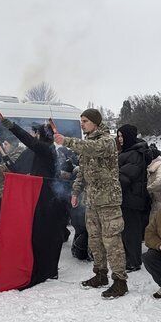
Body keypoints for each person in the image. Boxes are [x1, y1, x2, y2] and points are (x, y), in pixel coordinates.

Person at [55, 109, 128, 299]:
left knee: (112, 241)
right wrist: (75, 192)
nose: (82, 124)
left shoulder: (106, 141)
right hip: (92, 201)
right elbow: (83, 172)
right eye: (81, 121)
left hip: (108, 201)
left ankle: (120, 281)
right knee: (95, 241)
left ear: (95, 122)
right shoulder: (87, 141)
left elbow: (92, 148)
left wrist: (67, 141)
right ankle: (100, 274)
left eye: (85, 121)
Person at [0, 119, 67, 286]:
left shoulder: (45, 148)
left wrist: (13, 127)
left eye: (37, 133)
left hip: (48, 200)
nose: (34, 135)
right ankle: (45, 268)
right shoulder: (44, 150)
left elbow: (29, 141)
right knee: (42, 235)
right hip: (45, 197)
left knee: (45, 236)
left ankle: (46, 270)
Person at [116, 124, 149, 272]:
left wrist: (110, 177)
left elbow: (125, 178)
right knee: (127, 230)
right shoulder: (128, 151)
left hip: (132, 198)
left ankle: (134, 262)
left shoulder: (135, 154)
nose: (120, 139)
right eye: (118, 136)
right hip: (127, 197)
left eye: (122, 136)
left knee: (131, 232)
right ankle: (129, 259)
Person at [146, 146, 161, 219]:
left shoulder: (160, 167)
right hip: (153, 199)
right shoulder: (150, 168)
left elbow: (160, 182)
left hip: (159, 199)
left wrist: (148, 189)